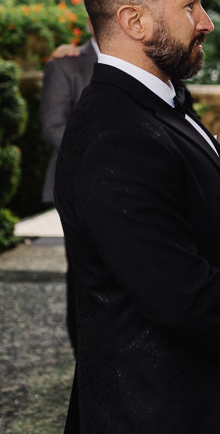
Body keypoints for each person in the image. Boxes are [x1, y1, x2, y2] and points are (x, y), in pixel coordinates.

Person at [54, 0, 220, 433]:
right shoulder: (115, 134)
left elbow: (198, 238)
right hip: (148, 408)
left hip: (184, 392)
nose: (206, 21)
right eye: (190, 4)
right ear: (134, 21)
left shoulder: (159, 105)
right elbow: (175, 290)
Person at [40, 32, 99, 354]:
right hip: (77, 184)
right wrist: (105, 154)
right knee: (82, 270)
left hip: (131, 186)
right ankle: (84, 352)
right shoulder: (66, 64)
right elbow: (53, 126)